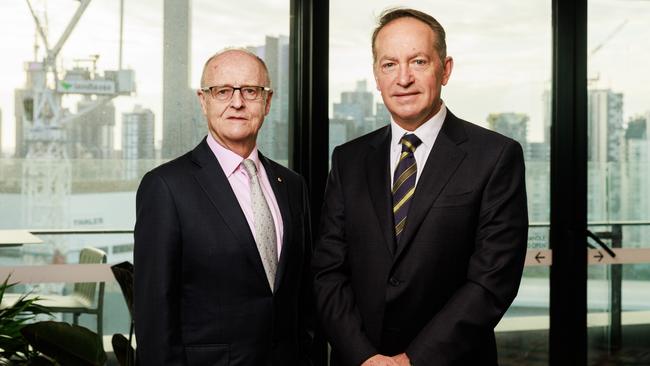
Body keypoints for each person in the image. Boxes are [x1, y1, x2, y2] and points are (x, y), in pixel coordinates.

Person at [313, 8, 528, 366]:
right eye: (389, 65)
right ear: (376, 76)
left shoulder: (495, 156)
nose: (403, 78)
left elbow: (492, 281)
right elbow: (327, 272)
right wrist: (365, 357)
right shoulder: (348, 160)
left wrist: (411, 361)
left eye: (418, 61)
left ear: (445, 69)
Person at [134, 48, 314, 365]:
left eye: (250, 90)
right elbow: (154, 312)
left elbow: (302, 297)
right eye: (222, 91)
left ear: (267, 101)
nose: (237, 102)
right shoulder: (166, 187)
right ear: (203, 101)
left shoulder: (293, 186)